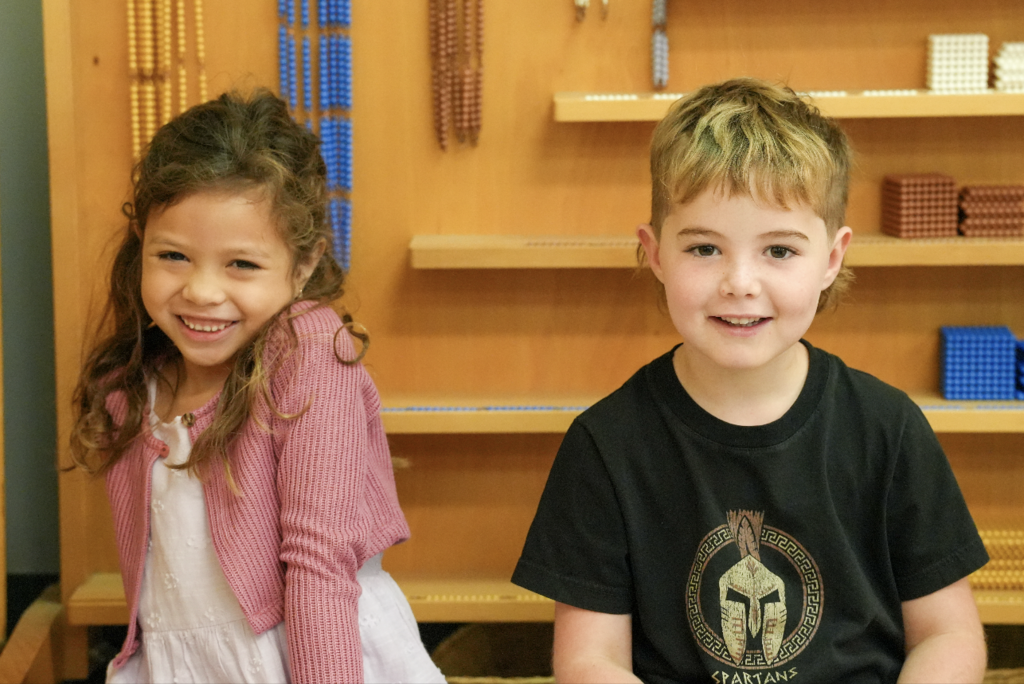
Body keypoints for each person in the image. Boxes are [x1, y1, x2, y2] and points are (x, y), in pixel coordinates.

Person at [511, 78, 989, 684]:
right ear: (655, 254)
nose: (739, 282)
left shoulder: (887, 428)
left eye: (779, 251)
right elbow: (588, 659)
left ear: (832, 259)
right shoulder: (606, 444)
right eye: (705, 248)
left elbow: (948, 634)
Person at [70, 90, 446, 684]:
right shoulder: (132, 384)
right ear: (142, 242)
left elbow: (319, 567)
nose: (201, 291)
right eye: (173, 255)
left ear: (302, 267)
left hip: (317, 657)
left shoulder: (309, 356)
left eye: (241, 264)